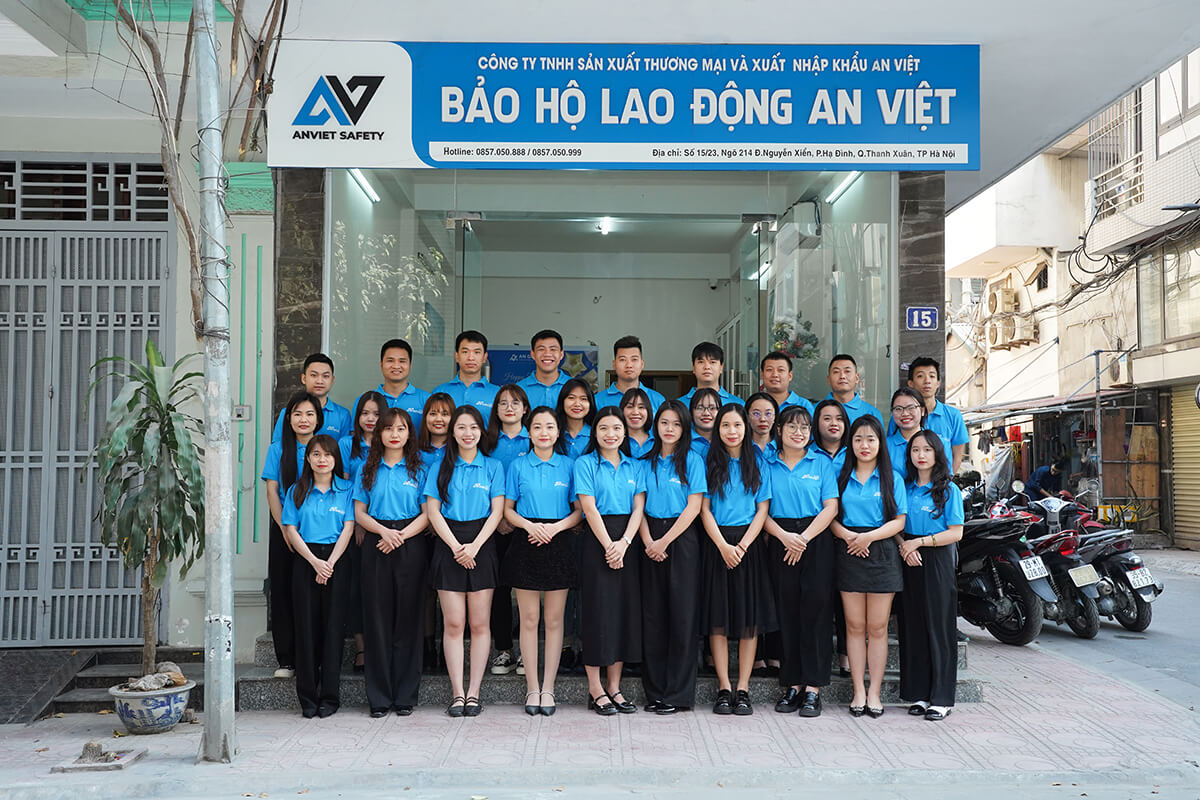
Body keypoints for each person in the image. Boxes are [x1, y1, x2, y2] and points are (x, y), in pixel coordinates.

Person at [423, 406, 506, 718]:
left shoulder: (493, 466)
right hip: (449, 544)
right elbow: (433, 511)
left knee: (479, 623)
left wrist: (475, 546)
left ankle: (474, 693)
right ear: (453, 432)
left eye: (473, 427)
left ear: (481, 431)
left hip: (482, 542)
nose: (467, 433)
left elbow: (497, 511)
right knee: (454, 623)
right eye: (461, 427)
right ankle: (457, 693)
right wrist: (457, 547)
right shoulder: (439, 466)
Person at [501, 406, 582, 716]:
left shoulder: (569, 465)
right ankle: (532, 687)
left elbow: (579, 511)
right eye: (537, 427)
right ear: (529, 431)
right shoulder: (518, 466)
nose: (544, 432)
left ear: (558, 432)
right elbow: (507, 509)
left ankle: (549, 687)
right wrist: (529, 526)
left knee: (554, 619)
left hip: (559, 540)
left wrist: (555, 528)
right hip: (526, 540)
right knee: (529, 618)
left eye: (550, 426)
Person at [762, 405, 840, 717]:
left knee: (816, 614)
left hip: (815, 539)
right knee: (787, 613)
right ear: (779, 430)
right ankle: (792, 684)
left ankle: (813, 689)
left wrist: (803, 538)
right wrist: (785, 537)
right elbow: (761, 509)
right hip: (780, 539)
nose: (799, 432)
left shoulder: (821, 462)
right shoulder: (767, 463)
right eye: (792, 427)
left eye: (804, 427)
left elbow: (831, 507)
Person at [352, 408, 430, 717]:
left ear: (410, 433)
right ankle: (380, 698)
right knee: (377, 620)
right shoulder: (367, 468)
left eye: (401, 428)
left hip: (411, 542)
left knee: (409, 620)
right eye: (388, 428)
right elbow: (359, 513)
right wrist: (384, 532)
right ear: (379, 434)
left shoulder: (420, 468)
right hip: (377, 541)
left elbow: (428, 514)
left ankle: (405, 695)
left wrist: (400, 536)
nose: (394, 434)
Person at [700, 404, 774, 716]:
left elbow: (762, 509)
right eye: (726, 425)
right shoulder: (708, 462)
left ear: (746, 428)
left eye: (737, 425)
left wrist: (742, 546)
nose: (732, 431)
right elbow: (703, 508)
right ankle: (723, 686)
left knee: (748, 621)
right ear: (718, 429)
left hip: (748, 545)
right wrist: (723, 546)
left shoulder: (758, 462)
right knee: (717, 619)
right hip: (716, 544)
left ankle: (743, 687)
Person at [831, 415, 907, 719]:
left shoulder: (892, 478)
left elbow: (899, 521)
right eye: (858, 438)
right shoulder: (840, 475)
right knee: (854, 626)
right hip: (848, 550)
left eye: (871, 439)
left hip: (882, 553)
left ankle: (874, 691)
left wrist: (869, 537)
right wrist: (849, 536)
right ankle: (858, 691)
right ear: (850, 443)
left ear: (880, 443)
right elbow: (830, 516)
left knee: (877, 627)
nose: (864, 445)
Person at [573, 407, 646, 716]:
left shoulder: (635, 465)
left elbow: (639, 507)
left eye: (616, 428)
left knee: (622, 614)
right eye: (603, 428)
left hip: (628, 541)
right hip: (597, 541)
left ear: (624, 432)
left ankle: (614, 686)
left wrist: (624, 544)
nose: (610, 434)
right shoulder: (585, 463)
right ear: (595, 432)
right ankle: (595, 688)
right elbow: (588, 508)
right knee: (598, 613)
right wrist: (609, 546)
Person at [638, 400, 706, 714]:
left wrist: (664, 541)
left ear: (684, 428)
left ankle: (677, 694)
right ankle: (654, 691)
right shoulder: (644, 461)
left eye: (676, 424)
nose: (669, 429)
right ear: (656, 426)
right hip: (649, 537)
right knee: (653, 616)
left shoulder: (692, 460)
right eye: (664, 422)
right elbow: (638, 505)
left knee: (682, 615)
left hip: (681, 539)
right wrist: (649, 541)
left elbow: (694, 506)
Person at [280, 435, 355, 718]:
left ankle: (330, 698)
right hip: (305, 560)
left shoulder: (347, 489)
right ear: (308, 459)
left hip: (337, 560)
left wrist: (330, 563)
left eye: (328, 455)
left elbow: (349, 527)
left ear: (336, 459)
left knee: (333, 629)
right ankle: (308, 699)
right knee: (306, 629)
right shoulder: (297, 490)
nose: (322, 460)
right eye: (316, 454)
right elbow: (291, 529)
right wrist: (314, 563)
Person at [899, 431, 965, 722]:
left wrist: (919, 543)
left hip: (937, 557)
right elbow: (896, 524)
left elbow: (956, 532)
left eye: (927, 449)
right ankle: (919, 694)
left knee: (939, 626)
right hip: (907, 555)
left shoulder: (948, 490)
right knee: (912, 625)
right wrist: (905, 546)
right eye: (915, 450)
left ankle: (941, 698)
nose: (921, 455)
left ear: (938, 453)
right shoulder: (905, 488)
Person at [261, 391, 323, 679]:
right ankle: (287, 659)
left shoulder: (325, 448)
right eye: (297, 414)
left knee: (314, 594)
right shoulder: (278, 449)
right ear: (288, 419)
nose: (303, 419)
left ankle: (314, 657)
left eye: (309, 414)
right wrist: (285, 527)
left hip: (319, 529)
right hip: (285, 529)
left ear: (318, 419)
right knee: (284, 591)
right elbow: (272, 491)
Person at [482, 384, 531, 678]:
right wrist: (498, 517)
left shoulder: (535, 437)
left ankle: (526, 650)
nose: (509, 408)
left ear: (525, 408)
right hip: (492, 526)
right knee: (498, 589)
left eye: (515, 403)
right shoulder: (486, 441)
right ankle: (504, 650)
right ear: (496, 409)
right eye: (503, 403)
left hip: (527, 525)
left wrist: (515, 519)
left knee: (527, 589)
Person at [338, 390, 385, 675]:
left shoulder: (390, 442)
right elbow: (343, 485)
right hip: (353, 524)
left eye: (377, 414)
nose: (370, 419)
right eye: (365, 413)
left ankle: (382, 646)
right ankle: (362, 647)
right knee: (357, 588)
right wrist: (355, 523)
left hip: (384, 525)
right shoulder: (347, 445)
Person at [810, 398, 850, 676]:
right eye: (826, 418)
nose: (833, 423)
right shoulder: (807, 452)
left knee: (847, 600)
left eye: (838, 418)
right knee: (821, 601)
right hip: (817, 535)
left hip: (851, 536)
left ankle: (846, 656)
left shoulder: (855, 451)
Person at [898, 357, 970, 472]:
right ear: (911, 383)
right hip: (908, 481)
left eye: (932, 376)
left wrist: (946, 480)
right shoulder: (901, 416)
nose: (927, 381)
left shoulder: (953, 415)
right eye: (920, 376)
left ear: (938, 383)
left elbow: (957, 456)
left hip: (941, 481)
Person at [271, 353, 353, 441]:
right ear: (304, 378)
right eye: (314, 375)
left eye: (325, 376)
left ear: (332, 380)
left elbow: (345, 448)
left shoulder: (342, 415)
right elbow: (278, 445)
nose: (319, 381)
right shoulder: (288, 413)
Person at [435, 330, 500, 417]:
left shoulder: (497, 393)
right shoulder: (440, 391)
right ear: (456, 356)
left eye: (477, 352)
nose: (471, 358)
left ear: (484, 357)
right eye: (465, 352)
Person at [595, 335, 666, 414]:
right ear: (614, 364)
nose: (629, 365)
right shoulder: (597, 401)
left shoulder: (658, 400)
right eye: (623, 359)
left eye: (634, 359)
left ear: (642, 364)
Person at [368, 339, 431, 427]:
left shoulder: (426, 400)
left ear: (410, 365)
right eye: (390, 360)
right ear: (381, 364)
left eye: (402, 361)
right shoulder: (366, 401)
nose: (396, 366)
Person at [887, 387, 953, 471]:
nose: (905, 413)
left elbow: (945, 475)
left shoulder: (941, 443)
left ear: (922, 410)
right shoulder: (884, 446)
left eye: (911, 407)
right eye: (898, 409)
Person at [824, 354, 884, 425]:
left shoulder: (872, 413)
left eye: (847, 371)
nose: (842, 376)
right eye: (836, 372)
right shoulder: (816, 410)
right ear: (828, 379)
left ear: (857, 378)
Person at [679, 341, 744, 407]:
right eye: (701, 362)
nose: (707, 367)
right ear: (693, 368)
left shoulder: (738, 404)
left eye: (712, 362)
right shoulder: (680, 405)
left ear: (721, 367)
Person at [517, 329, 571, 409]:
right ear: (532, 354)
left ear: (561, 354)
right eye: (541, 349)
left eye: (553, 349)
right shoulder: (519, 389)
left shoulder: (574, 386)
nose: (547, 354)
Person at [555, 378, 596, 459]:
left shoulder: (596, 434)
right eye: (571, 398)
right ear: (562, 401)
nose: (577, 404)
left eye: (583, 399)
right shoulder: (552, 433)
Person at [416, 392, 454, 458]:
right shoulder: (414, 452)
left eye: (444, 414)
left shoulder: (460, 451)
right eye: (433, 414)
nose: (438, 419)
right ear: (425, 417)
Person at [619, 387, 655, 458]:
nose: (635, 412)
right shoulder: (615, 441)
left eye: (641, 407)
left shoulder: (658, 442)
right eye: (630, 407)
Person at [689, 387, 721, 460]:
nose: (706, 413)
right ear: (691, 412)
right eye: (700, 408)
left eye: (712, 408)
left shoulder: (727, 440)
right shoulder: (683, 441)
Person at [745, 391, 779, 458]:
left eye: (768, 414)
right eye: (756, 414)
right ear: (747, 417)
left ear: (774, 417)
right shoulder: (739, 448)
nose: (762, 419)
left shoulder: (784, 447)